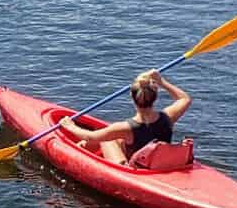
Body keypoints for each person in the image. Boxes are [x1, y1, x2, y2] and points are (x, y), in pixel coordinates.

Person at [58, 69, 192, 165]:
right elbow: (185, 99)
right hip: (159, 162)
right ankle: (80, 147)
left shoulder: (125, 128)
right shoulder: (168, 117)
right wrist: (161, 81)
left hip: (137, 168)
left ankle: (74, 150)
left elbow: (90, 136)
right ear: (155, 97)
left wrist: (70, 126)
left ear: (132, 98)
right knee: (119, 140)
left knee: (107, 139)